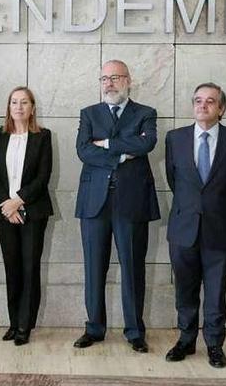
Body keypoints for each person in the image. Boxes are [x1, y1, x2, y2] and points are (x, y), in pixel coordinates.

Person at [73, 59, 159, 353]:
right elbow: (83, 150)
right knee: (94, 269)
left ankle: (135, 331)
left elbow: (146, 145)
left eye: (115, 78)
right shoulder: (89, 113)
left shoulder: (145, 113)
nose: (109, 83)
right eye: (104, 78)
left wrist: (107, 145)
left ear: (128, 81)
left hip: (131, 202)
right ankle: (94, 328)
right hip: (94, 203)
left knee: (133, 268)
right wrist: (122, 154)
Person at [163, 82, 226, 367]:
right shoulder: (175, 138)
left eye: (210, 101)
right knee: (185, 291)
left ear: (221, 108)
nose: (203, 105)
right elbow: (174, 180)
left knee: (215, 294)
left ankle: (214, 344)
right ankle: (186, 341)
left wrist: (215, 207)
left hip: (220, 229)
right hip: (183, 229)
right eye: (198, 100)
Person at [0, 86, 53, 346]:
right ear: (9, 107)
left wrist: (19, 201)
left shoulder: (43, 136)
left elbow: (43, 176)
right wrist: (7, 204)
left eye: (24, 102)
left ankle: (26, 324)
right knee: (11, 268)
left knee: (29, 267)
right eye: (14, 102)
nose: (19, 107)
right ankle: (13, 323)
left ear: (32, 107)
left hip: (33, 212)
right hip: (4, 212)